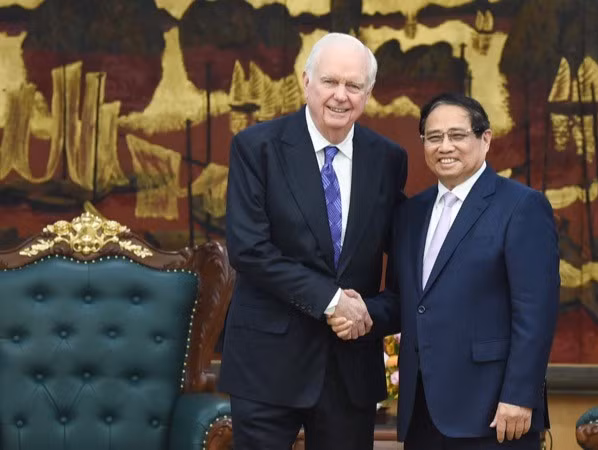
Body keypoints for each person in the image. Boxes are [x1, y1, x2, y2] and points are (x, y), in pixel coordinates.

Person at [331, 92, 559, 448]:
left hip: (494, 411)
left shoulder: (522, 207)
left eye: (457, 135)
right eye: (434, 137)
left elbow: (536, 313)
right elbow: (403, 301)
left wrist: (519, 395)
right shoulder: (411, 213)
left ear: (485, 139)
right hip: (421, 411)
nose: (445, 146)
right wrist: (359, 310)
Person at [219, 32, 407, 450]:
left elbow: (402, 260)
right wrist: (332, 300)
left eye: (354, 86)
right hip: (266, 364)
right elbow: (250, 249)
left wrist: (367, 313)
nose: (341, 96)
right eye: (330, 82)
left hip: (349, 368)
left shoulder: (388, 159)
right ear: (306, 81)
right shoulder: (257, 148)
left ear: (368, 93)